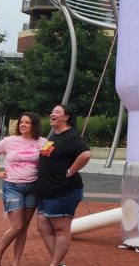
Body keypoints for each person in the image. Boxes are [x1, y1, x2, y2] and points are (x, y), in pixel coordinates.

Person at [34, 104, 92, 266]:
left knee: (61, 229)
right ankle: (58, 263)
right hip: (45, 191)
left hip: (63, 191)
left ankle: (55, 264)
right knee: (43, 228)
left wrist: (70, 171)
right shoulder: (54, 136)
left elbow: (86, 154)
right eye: (52, 111)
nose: (52, 114)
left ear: (66, 117)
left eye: (57, 112)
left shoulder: (71, 137)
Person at [0, 112, 47, 266]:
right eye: (21, 122)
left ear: (34, 125)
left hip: (33, 188)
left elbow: (50, 162)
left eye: (27, 122)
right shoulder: (8, 141)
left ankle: (16, 262)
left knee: (24, 228)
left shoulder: (44, 142)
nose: (22, 125)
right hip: (12, 187)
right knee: (17, 226)